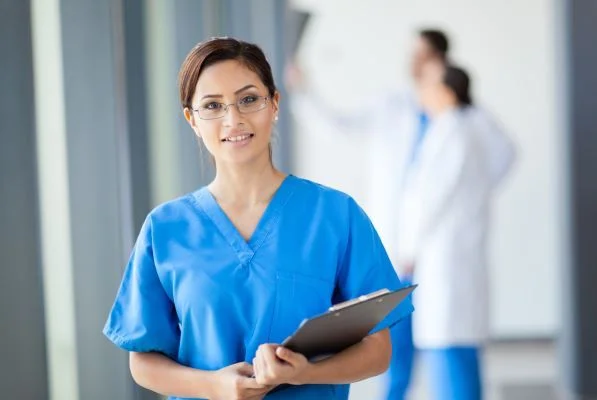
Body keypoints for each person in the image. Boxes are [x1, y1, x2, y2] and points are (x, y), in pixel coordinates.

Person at [102, 37, 413, 400]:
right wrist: (214, 386)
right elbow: (142, 362)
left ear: (274, 103)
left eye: (249, 99)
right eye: (213, 106)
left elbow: (378, 351)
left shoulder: (335, 215)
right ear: (191, 120)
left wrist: (306, 373)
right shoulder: (166, 228)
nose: (233, 119)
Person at [286, 28, 515, 399]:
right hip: (400, 249)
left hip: (437, 254)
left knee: (447, 348)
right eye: (412, 55)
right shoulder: (393, 105)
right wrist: (302, 91)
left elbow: (497, 159)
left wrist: (468, 200)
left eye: (423, 56)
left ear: (441, 63)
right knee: (397, 346)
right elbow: (337, 127)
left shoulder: (461, 119)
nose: (415, 63)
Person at [397, 60, 500, 400]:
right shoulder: (454, 129)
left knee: (450, 349)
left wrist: (408, 249)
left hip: (447, 259)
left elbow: (430, 200)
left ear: (446, 91)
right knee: (454, 348)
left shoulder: (453, 131)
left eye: (428, 85)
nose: (422, 92)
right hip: (450, 256)